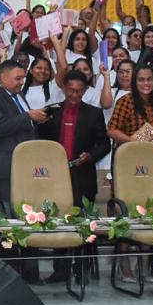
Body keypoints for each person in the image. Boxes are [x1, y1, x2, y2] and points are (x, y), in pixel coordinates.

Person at [36, 69, 111, 208]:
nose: (74, 95)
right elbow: (39, 142)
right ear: (63, 88)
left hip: (82, 175)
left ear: (85, 90)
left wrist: (89, 156)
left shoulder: (94, 114)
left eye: (79, 91)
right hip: (53, 173)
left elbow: (105, 144)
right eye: (71, 90)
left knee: (82, 219)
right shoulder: (50, 111)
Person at [0, 60, 44, 211]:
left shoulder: (18, 93)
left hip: (25, 163)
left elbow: (20, 123)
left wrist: (37, 118)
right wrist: (28, 116)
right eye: (18, 78)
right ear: (3, 78)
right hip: (5, 166)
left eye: (23, 78)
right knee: (9, 212)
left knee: (26, 210)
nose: (22, 82)